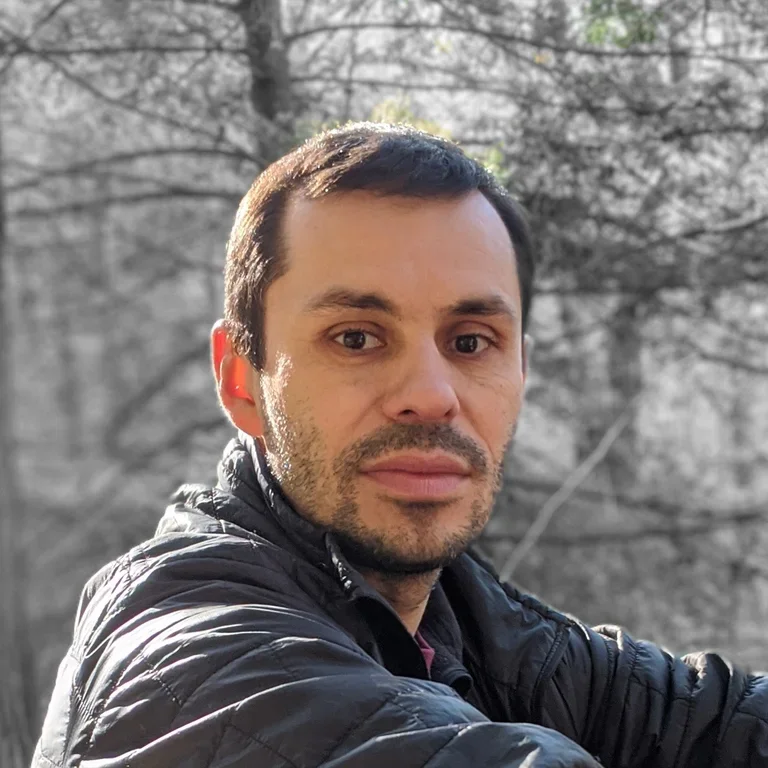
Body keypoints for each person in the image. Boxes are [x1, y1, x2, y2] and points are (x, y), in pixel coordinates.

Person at [35, 123, 767, 768]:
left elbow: (719, 722)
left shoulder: (480, 630)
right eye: (356, 337)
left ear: (521, 371)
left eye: (471, 342)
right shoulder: (190, 663)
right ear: (242, 381)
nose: (431, 393)